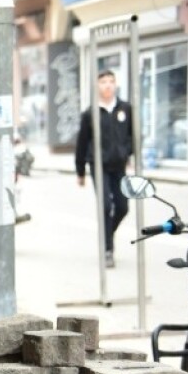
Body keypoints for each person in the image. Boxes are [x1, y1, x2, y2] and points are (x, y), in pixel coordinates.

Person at [75, 69, 134, 268]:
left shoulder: (125, 108)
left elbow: (132, 135)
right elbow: (82, 142)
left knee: (123, 206)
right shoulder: (90, 113)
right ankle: (108, 249)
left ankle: (108, 232)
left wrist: (128, 153)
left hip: (119, 166)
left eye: (111, 81)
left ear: (115, 84)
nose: (107, 85)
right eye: (103, 82)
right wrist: (80, 171)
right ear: (97, 86)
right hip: (98, 166)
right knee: (106, 207)